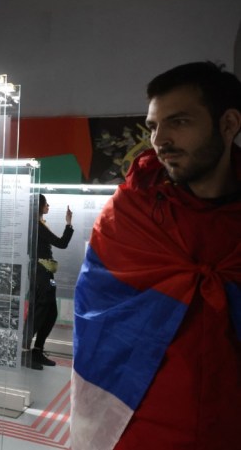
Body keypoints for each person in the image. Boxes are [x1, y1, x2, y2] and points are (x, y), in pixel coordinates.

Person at [71, 62, 241, 450]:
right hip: (136, 425)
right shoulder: (131, 213)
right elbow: (95, 314)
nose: (159, 140)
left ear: (228, 123)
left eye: (178, 122)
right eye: (153, 126)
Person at [25, 194, 72, 369]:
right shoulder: (36, 226)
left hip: (45, 274)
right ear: (40, 206)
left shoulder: (38, 225)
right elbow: (62, 243)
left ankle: (37, 351)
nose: (48, 206)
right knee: (40, 312)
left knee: (50, 312)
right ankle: (25, 353)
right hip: (41, 274)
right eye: (46, 204)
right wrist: (68, 224)